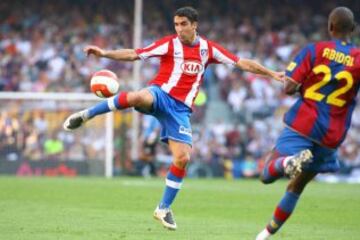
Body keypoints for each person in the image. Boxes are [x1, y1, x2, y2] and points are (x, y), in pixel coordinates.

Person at [63, 6, 283, 230]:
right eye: (176, 24)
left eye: (183, 24)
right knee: (139, 96)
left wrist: (272, 73)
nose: (178, 29)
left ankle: (163, 208)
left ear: (194, 25)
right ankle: (86, 114)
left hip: (180, 111)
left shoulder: (208, 49)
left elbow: (242, 63)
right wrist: (105, 53)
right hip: (160, 94)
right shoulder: (168, 44)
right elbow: (134, 54)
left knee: (182, 158)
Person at [256, 7, 359, 240]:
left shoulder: (314, 50)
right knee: (297, 186)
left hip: (304, 124)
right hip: (331, 135)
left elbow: (289, 87)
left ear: (330, 27)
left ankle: (289, 161)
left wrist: (304, 85)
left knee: (267, 173)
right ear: (352, 30)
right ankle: (263, 236)